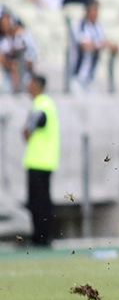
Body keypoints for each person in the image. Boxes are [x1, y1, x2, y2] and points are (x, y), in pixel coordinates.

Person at [23, 74, 59, 247]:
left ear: (37, 85)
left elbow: (29, 129)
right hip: (46, 160)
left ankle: (41, 237)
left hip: (38, 161)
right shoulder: (48, 104)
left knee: (38, 203)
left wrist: (26, 131)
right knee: (43, 202)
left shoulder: (41, 104)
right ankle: (44, 236)